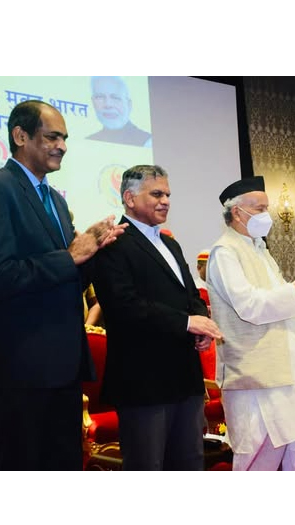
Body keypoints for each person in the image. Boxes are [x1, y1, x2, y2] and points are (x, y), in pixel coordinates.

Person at [0, 99, 127, 470]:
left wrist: (94, 251)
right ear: (21, 136)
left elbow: (67, 276)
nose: (63, 146)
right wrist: (70, 256)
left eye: (65, 138)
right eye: (52, 137)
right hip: (22, 367)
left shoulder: (54, 198)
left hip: (64, 366)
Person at [92, 164, 223, 470]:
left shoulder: (170, 243)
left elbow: (190, 294)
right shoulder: (112, 243)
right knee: (147, 466)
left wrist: (200, 323)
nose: (165, 201)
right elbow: (124, 305)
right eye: (156, 194)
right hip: (143, 380)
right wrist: (187, 322)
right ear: (129, 198)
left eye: (167, 195)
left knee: (190, 463)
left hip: (185, 376)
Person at [206, 175, 295, 471]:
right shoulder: (225, 251)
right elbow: (250, 306)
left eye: (267, 208)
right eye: (259, 208)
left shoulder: (259, 249)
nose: (267, 215)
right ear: (237, 212)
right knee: (258, 451)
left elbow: (283, 305)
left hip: (287, 366)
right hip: (255, 370)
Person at [86, 76, 152, 147]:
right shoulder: (88, 142)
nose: (108, 104)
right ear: (92, 102)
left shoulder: (148, 142)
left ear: (129, 104)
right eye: (100, 97)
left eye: (115, 98)